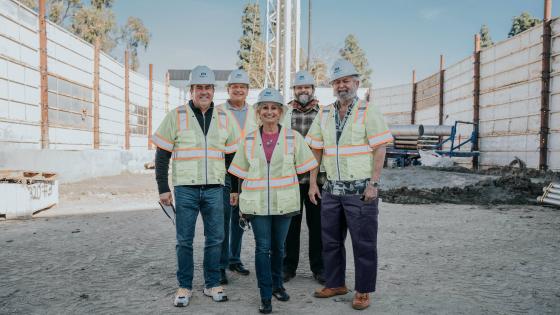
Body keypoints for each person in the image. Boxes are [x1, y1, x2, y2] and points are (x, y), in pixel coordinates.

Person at [306, 59, 393, 310]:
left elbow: (379, 148)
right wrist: (313, 183)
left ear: (356, 83)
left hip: (361, 191)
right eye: (337, 82)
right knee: (330, 240)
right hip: (331, 189)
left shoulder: (368, 111)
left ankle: (363, 290)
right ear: (332, 86)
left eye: (346, 81)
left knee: (363, 242)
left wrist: (374, 183)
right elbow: (316, 150)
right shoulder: (324, 113)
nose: (342, 85)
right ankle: (336, 283)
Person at [152, 65, 239, 307]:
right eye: (199, 87)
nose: (204, 91)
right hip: (186, 189)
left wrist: (235, 189)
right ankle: (184, 286)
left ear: (214, 90)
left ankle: (212, 283)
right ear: (191, 90)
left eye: (208, 87)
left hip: (215, 188)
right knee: (184, 240)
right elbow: (162, 155)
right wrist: (163, 187)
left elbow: (232, 157)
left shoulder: (224, 117)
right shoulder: (176, 116)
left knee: (216, 238)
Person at [228, 88, 318, 314]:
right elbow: (239, 172)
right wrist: (238, 196)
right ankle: (265, 293)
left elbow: (307, 166)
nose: (269, 112)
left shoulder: (293, 137)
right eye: (265, 108)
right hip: (257, 204)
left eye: (274, 108)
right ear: (258, 112)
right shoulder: (248, 140)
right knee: (263, 248)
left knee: (279, 248)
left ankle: (278, 285)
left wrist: (311, 186)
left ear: (281, 112)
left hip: (284, 203)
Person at [281, 70, 326, 284]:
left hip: (317, 181)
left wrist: (316, 180)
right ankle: (288, 267)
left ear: (313, 90)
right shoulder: (285, 113)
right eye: (299, 88)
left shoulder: (324, 113)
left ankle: (319, 268)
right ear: (294, 90)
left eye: (306, 87)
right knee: (291, 227)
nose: (303, 91)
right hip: (291, 179)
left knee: (317, 227)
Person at [216, 69, 257, 285]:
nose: (238, 90)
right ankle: (221, 265)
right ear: (228, 89)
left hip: (248, 174)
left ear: (247, 90)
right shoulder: (218, 111)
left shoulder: (255, 112)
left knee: (241, 218)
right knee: (223, 221)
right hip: (225, 173)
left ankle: (234, 259)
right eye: (234, 87)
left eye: (242, 87)